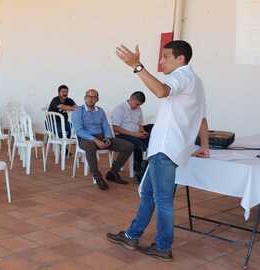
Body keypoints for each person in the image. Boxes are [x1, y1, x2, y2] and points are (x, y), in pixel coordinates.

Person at [107, 40, 209, 262]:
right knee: (149, 196)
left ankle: (163, 247)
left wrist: (137, 67)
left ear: (180, 58)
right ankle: (131, 235)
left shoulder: (182, 76)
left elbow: (161, 91)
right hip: (168, 149)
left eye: (166, 56)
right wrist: (205, 146)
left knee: (162, 200)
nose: (161, 61)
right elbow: (201, 117)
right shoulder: (196, 82)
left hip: (165, 148)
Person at [72, 89, 134, 191]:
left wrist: (108, 138)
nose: (91, 99)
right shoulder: (78, 112)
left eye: (94, 97)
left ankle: (113, 172)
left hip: (101, 136)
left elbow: (105, 126)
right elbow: (79, 131)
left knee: (128, 146)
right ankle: (97, 177)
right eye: (89, 96)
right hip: (86, 138)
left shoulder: (100, 111)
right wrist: (95, 140)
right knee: (90, 147)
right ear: (85, 98)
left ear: (97, 99)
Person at [110, 91, 149, 182]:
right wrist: (135, 134)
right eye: (136, 104)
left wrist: (143, 131)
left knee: (151, 141)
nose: (137, 106)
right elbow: (115, 128)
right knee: (138, 146)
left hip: (136, 134)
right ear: (131, 99)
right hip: (121, 135)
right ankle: (138, 171)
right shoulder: (120, 109)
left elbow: (140, 124)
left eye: (140, 105)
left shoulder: (138, 109)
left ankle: (147, 168)